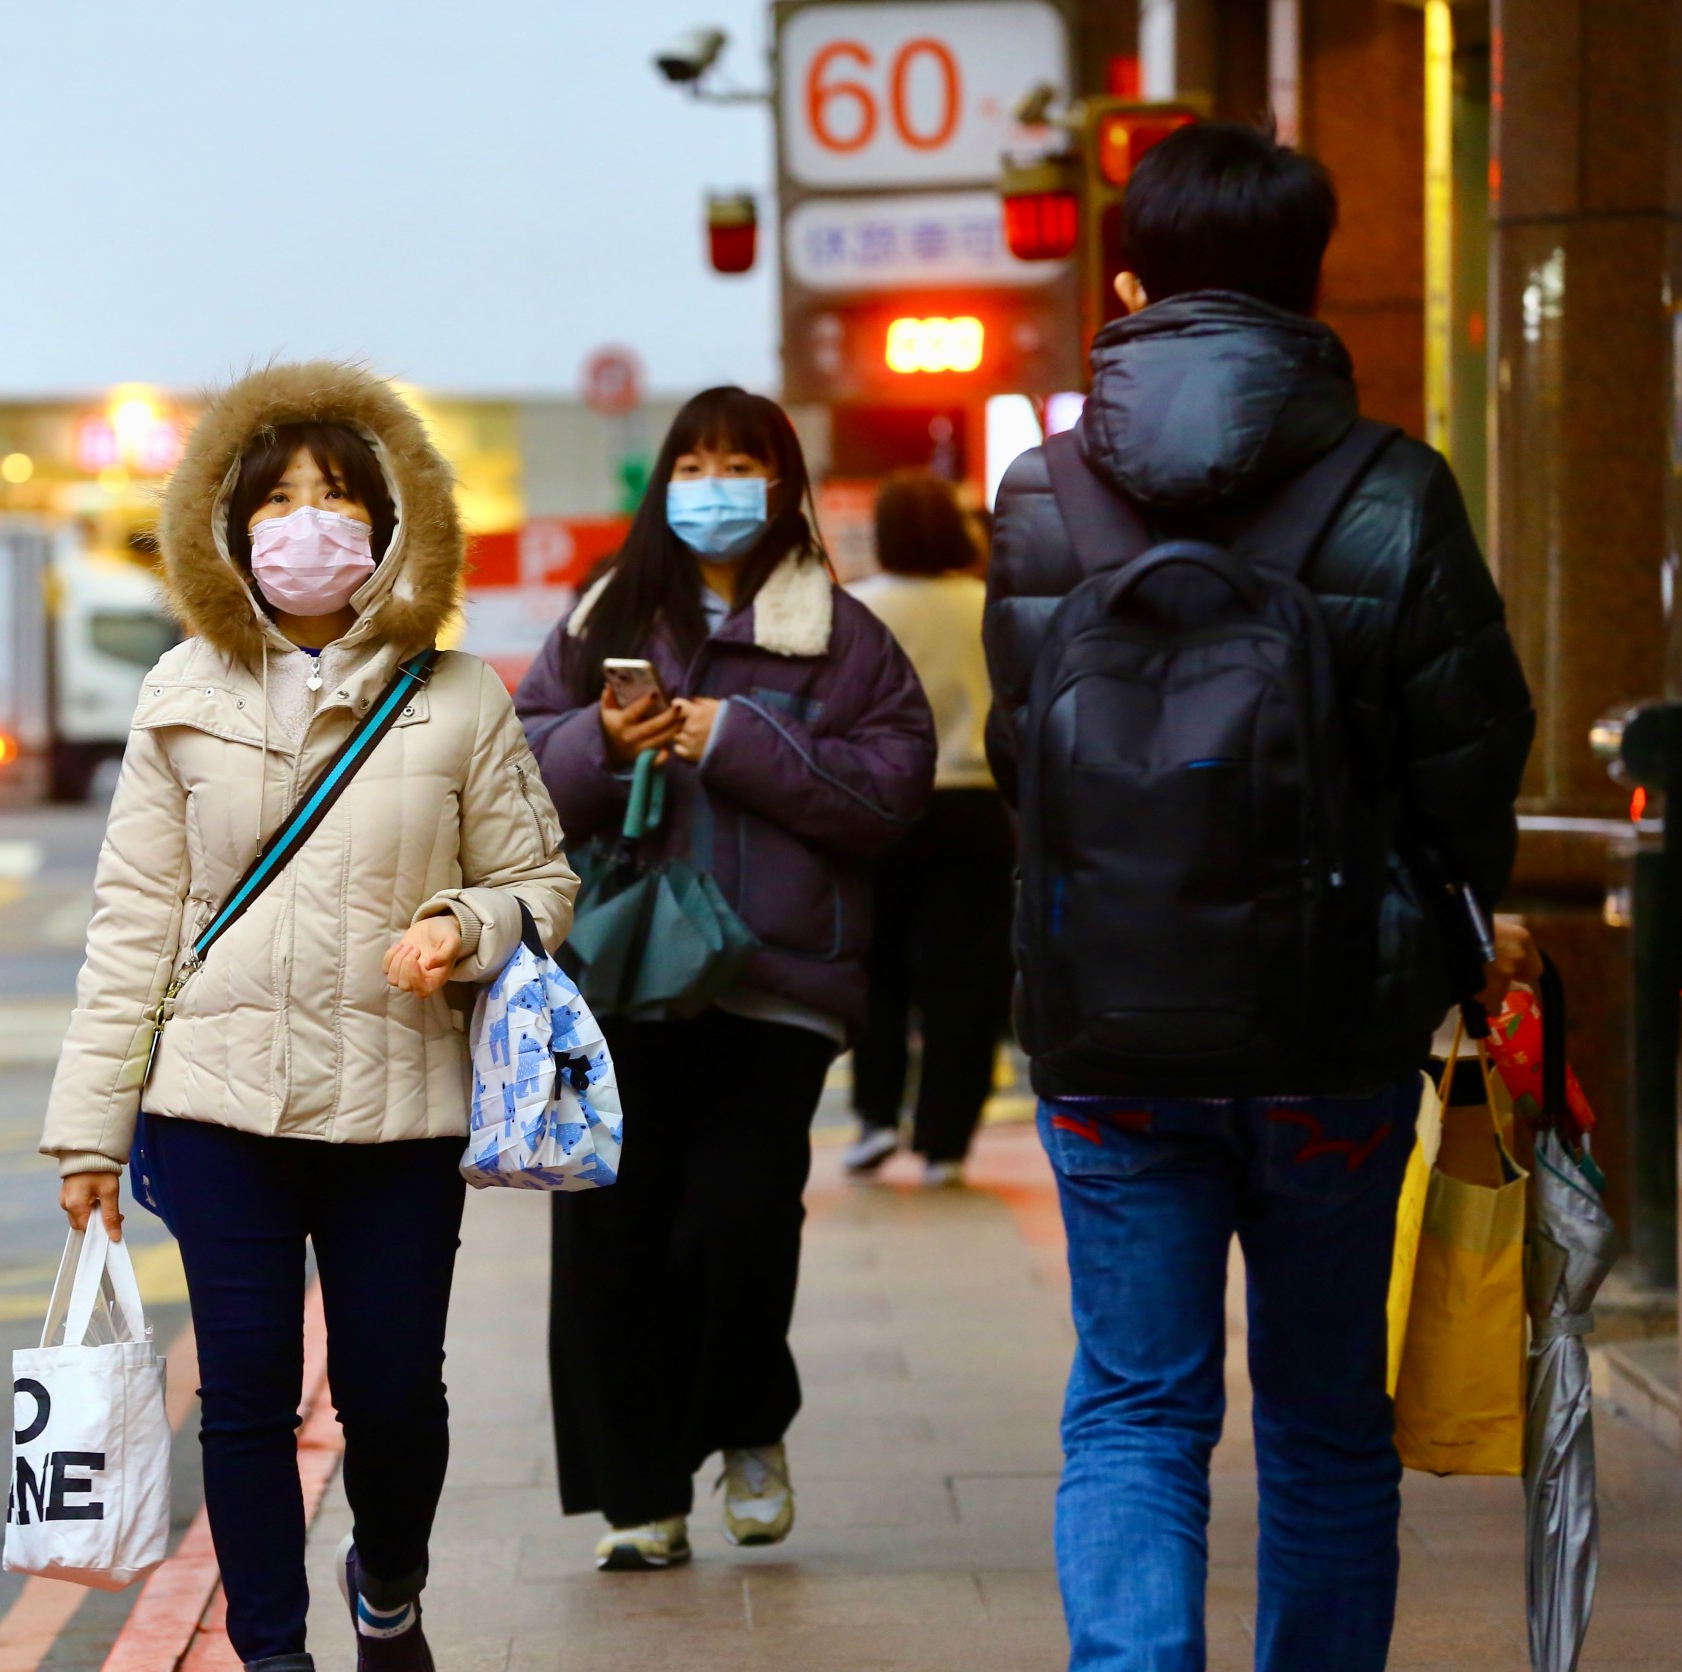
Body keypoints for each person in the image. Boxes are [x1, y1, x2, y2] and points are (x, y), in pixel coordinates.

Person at [982, 122, 1538, 1672]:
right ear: (1311, 289)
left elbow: (1022, 745)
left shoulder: (1045, 490)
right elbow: (1470, 753)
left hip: (1110, 1033)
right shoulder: (1395, 486)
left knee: (1138, 1411)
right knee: (1321, 1423)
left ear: (1130, 281)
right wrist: (1454, 918)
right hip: (1328, 1037)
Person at [43, 362, 577, 1672]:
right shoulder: (180, 692)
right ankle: (272, 1653)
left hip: (400, 1106)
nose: (307, 526)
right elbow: (132, 924)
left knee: (395, 1402)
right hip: (219, 1100)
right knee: (245, 1402)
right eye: (277, 501)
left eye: (339, 499)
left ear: (394, 527)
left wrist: (470, 927)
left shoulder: (459, 696)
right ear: (229, 530)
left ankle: (387, 1585)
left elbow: (542, 883)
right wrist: (88, 1135)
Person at [514, 386, 936, 1571]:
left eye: (739, 461)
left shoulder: (841, 634)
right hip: (617, 974)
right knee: (611, 1235)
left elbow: (890, 789)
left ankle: (750, 1424)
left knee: (737, 1220)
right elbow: (515, 774)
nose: (713, 483)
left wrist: (732, 738)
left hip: (774, 977)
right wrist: (601, 745)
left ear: (783, 482)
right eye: (692, 460)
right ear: (664, 484)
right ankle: (638, 1497)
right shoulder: (602, 612)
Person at [842, 472, 1013, 1188]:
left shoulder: (856, 608)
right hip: (974, 807)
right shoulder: (988, 606)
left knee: (874, 969)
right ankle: (946, 1140)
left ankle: (876, 1116)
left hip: (878, 805)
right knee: (965, 979)